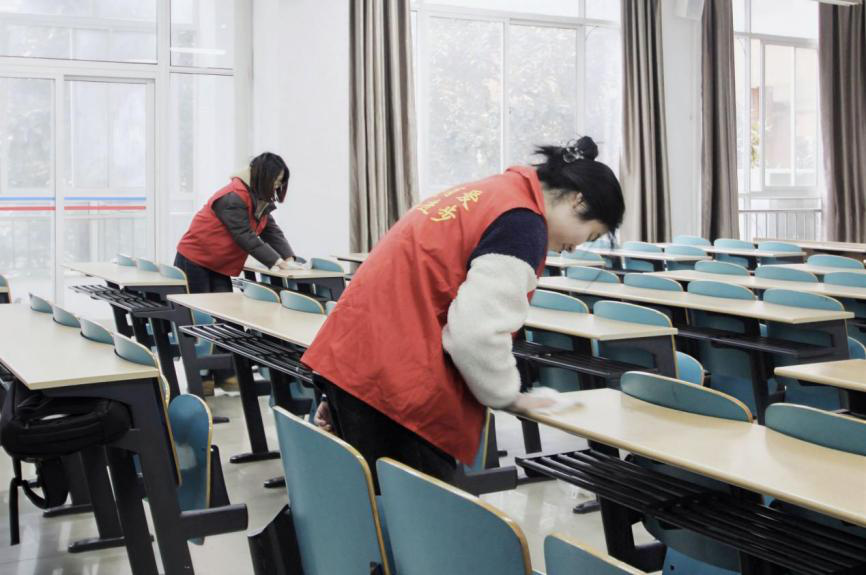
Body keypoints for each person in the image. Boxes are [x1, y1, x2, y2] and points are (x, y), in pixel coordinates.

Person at [302, 136, 625, 487]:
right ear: (578, 200)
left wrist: (339, 388)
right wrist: (508, 397)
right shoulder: (523, 223)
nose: (575, 247)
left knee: (371, 502)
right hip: (395, 379)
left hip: (356, 358)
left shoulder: (493, 192)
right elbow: (475, 333)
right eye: (589, 234)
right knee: (419, 511)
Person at [174, 152, 297, 294]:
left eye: (280, 181)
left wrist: (289, 259)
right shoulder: (234, 196)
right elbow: (244, 235)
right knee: (201, 306)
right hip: (196, 258)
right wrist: (278, 262)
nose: (277, 185)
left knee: (223, 305)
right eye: (275, 180)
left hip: (218, 262)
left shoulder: (259, 197)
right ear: (262, 176)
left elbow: (271, 230)